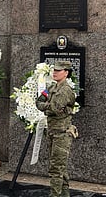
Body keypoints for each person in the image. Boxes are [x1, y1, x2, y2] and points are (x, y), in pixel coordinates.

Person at [36, 60, 76, 197]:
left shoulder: (66, 90)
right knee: (60, 169)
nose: (55, 72)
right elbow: (39, 101)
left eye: (58, 71)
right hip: (53, 132)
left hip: (62, 134)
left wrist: (47, 107)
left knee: (56, 169)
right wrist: (48, 106)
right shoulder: (52, 87)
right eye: (54, 70)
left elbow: (55, 108)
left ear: (66, 73)